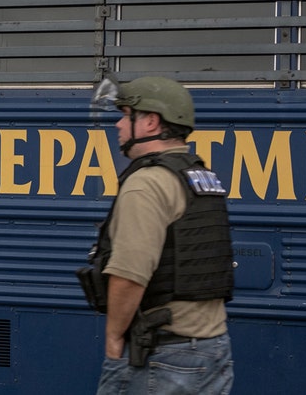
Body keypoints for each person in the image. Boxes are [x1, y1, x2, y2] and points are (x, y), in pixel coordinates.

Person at [78, 76, 234, 394]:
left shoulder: (146, 183)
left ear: (150, 121)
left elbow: (129, 275)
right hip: (212, 348)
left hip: (164, 358)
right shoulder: (201, 177)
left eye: (125, 115)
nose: (119, 125)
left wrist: (113, 337)